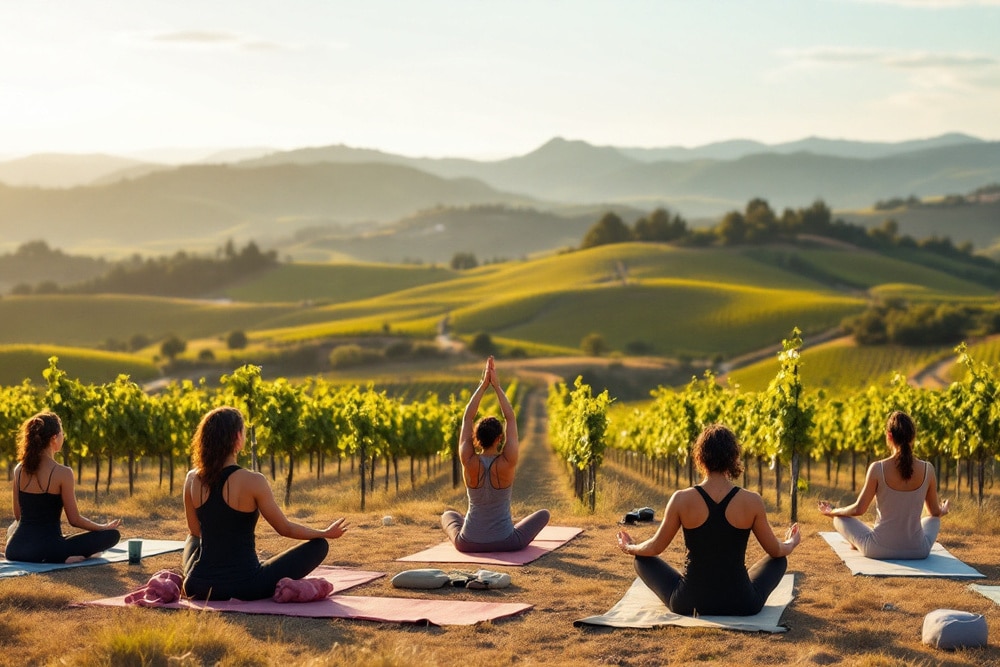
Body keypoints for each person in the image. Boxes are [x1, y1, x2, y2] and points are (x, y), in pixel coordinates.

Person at [617, 424, 799, 616]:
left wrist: (630, 547)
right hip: (743, 603)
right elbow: (776, 550)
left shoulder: (681, 498)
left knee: (641, 560)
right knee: (779, 561)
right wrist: (791, 542)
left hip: (689, 602)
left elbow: (654, 547)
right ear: (733, 457)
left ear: (700, 457)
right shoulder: (752, 500)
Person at [182, 406, 349, 600]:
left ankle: (198, 572)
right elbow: (284, 528)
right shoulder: (253, 480)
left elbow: (195, 532)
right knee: (320, 545)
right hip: (246, 586)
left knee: (191, 541)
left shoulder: (192, 478)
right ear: (237, 438)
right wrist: (324, 533)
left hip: (197, 585)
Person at [441, 356, 550, 552]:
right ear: (500, 438)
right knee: (544, 514)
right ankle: (501, 526)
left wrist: (483, 385)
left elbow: (467, 417)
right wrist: (497, 387)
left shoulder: (468, 459)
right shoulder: (508, 462)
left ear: (476, 438)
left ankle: (478, 525)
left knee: (448, 515)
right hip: (507, 542)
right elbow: (510, 417)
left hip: (467, 543)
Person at [818, 410, 948, 559]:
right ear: (913, 437)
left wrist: (833, 512)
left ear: (889, 435)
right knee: (933, 520)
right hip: (918, 551)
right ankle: (859, 541)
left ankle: (857, 542)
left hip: (878, 550)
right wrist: (942, 511)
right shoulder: (928, 469)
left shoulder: (877, 468)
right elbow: (934, 513)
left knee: (839, 519)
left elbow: (859, 509)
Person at [5, 411, 122, 563]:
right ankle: (62, 556)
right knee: (112, 535)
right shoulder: (63, 473)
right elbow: (74, 520)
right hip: (49, 549)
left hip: (16, 549)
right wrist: (103, 527)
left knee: (61, 540)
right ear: (54, 438)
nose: (63, 437)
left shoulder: (19, 469)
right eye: (62, 433)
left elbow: (18, 515)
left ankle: (59, 553)